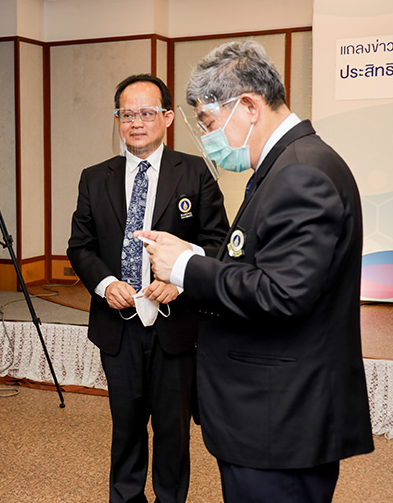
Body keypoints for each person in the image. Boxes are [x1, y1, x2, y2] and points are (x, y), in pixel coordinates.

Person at [138, 40, 374, 502]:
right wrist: (195, 255)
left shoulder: (300, 173)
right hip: (272, 414)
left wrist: (185, 268)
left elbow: (282, 294)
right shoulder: (286, 165)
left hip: (281, 418)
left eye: (208, 122)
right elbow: (263, 262)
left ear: (248, 106)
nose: (207, 137)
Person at [67, 74, 229, 502]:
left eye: (146, 113)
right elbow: (80, 246)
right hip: (117, 325)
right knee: (126, 425)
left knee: (173, 429)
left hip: (176, 324)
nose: (136, 122)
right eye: (127, 114)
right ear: (117, 119)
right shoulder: (94, 177)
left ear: (168, 117)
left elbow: (220, 242)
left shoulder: (195, 172)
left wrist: (183, 279)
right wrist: (105, 285)